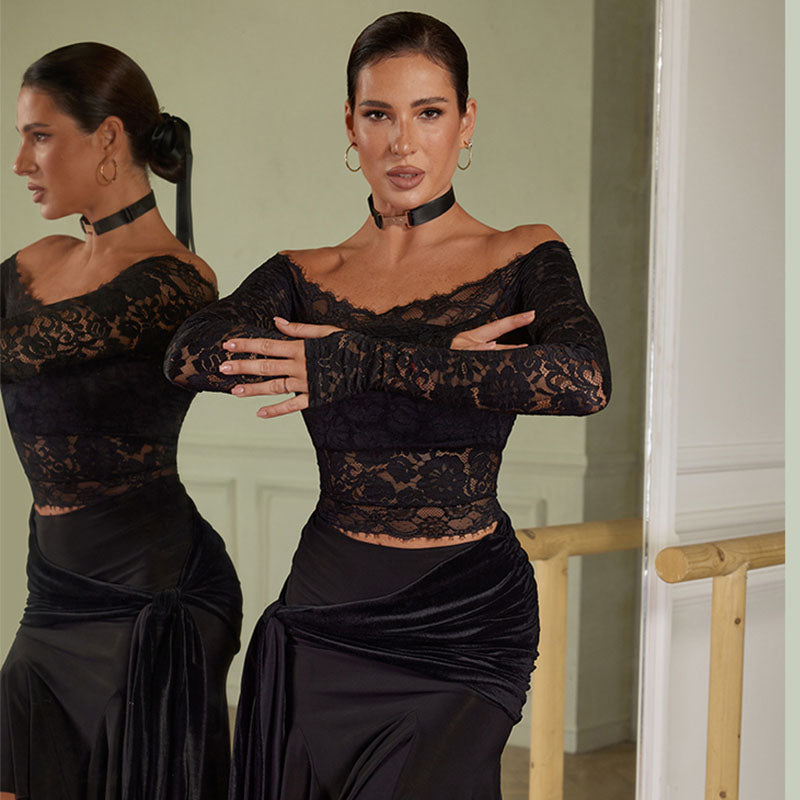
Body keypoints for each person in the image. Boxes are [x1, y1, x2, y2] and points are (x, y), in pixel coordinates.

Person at [165, 11, 610, 799]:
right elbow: (187, 354)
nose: (403, 143)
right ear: (351, 125)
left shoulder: (520, 254)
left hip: (465, 616)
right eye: (379, 114)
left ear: (465, 122)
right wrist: (439, 357)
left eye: (428, 113)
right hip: (328, 608)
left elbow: (582, 378)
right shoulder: (305, 273)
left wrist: (367, 358)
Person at [0, 43, 242, 800]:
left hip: (152, 598)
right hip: (56, 588)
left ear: (107, 137)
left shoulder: (177, 283)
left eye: (39, 135)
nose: (20, 162)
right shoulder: (35, 262)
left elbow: (32, 346)